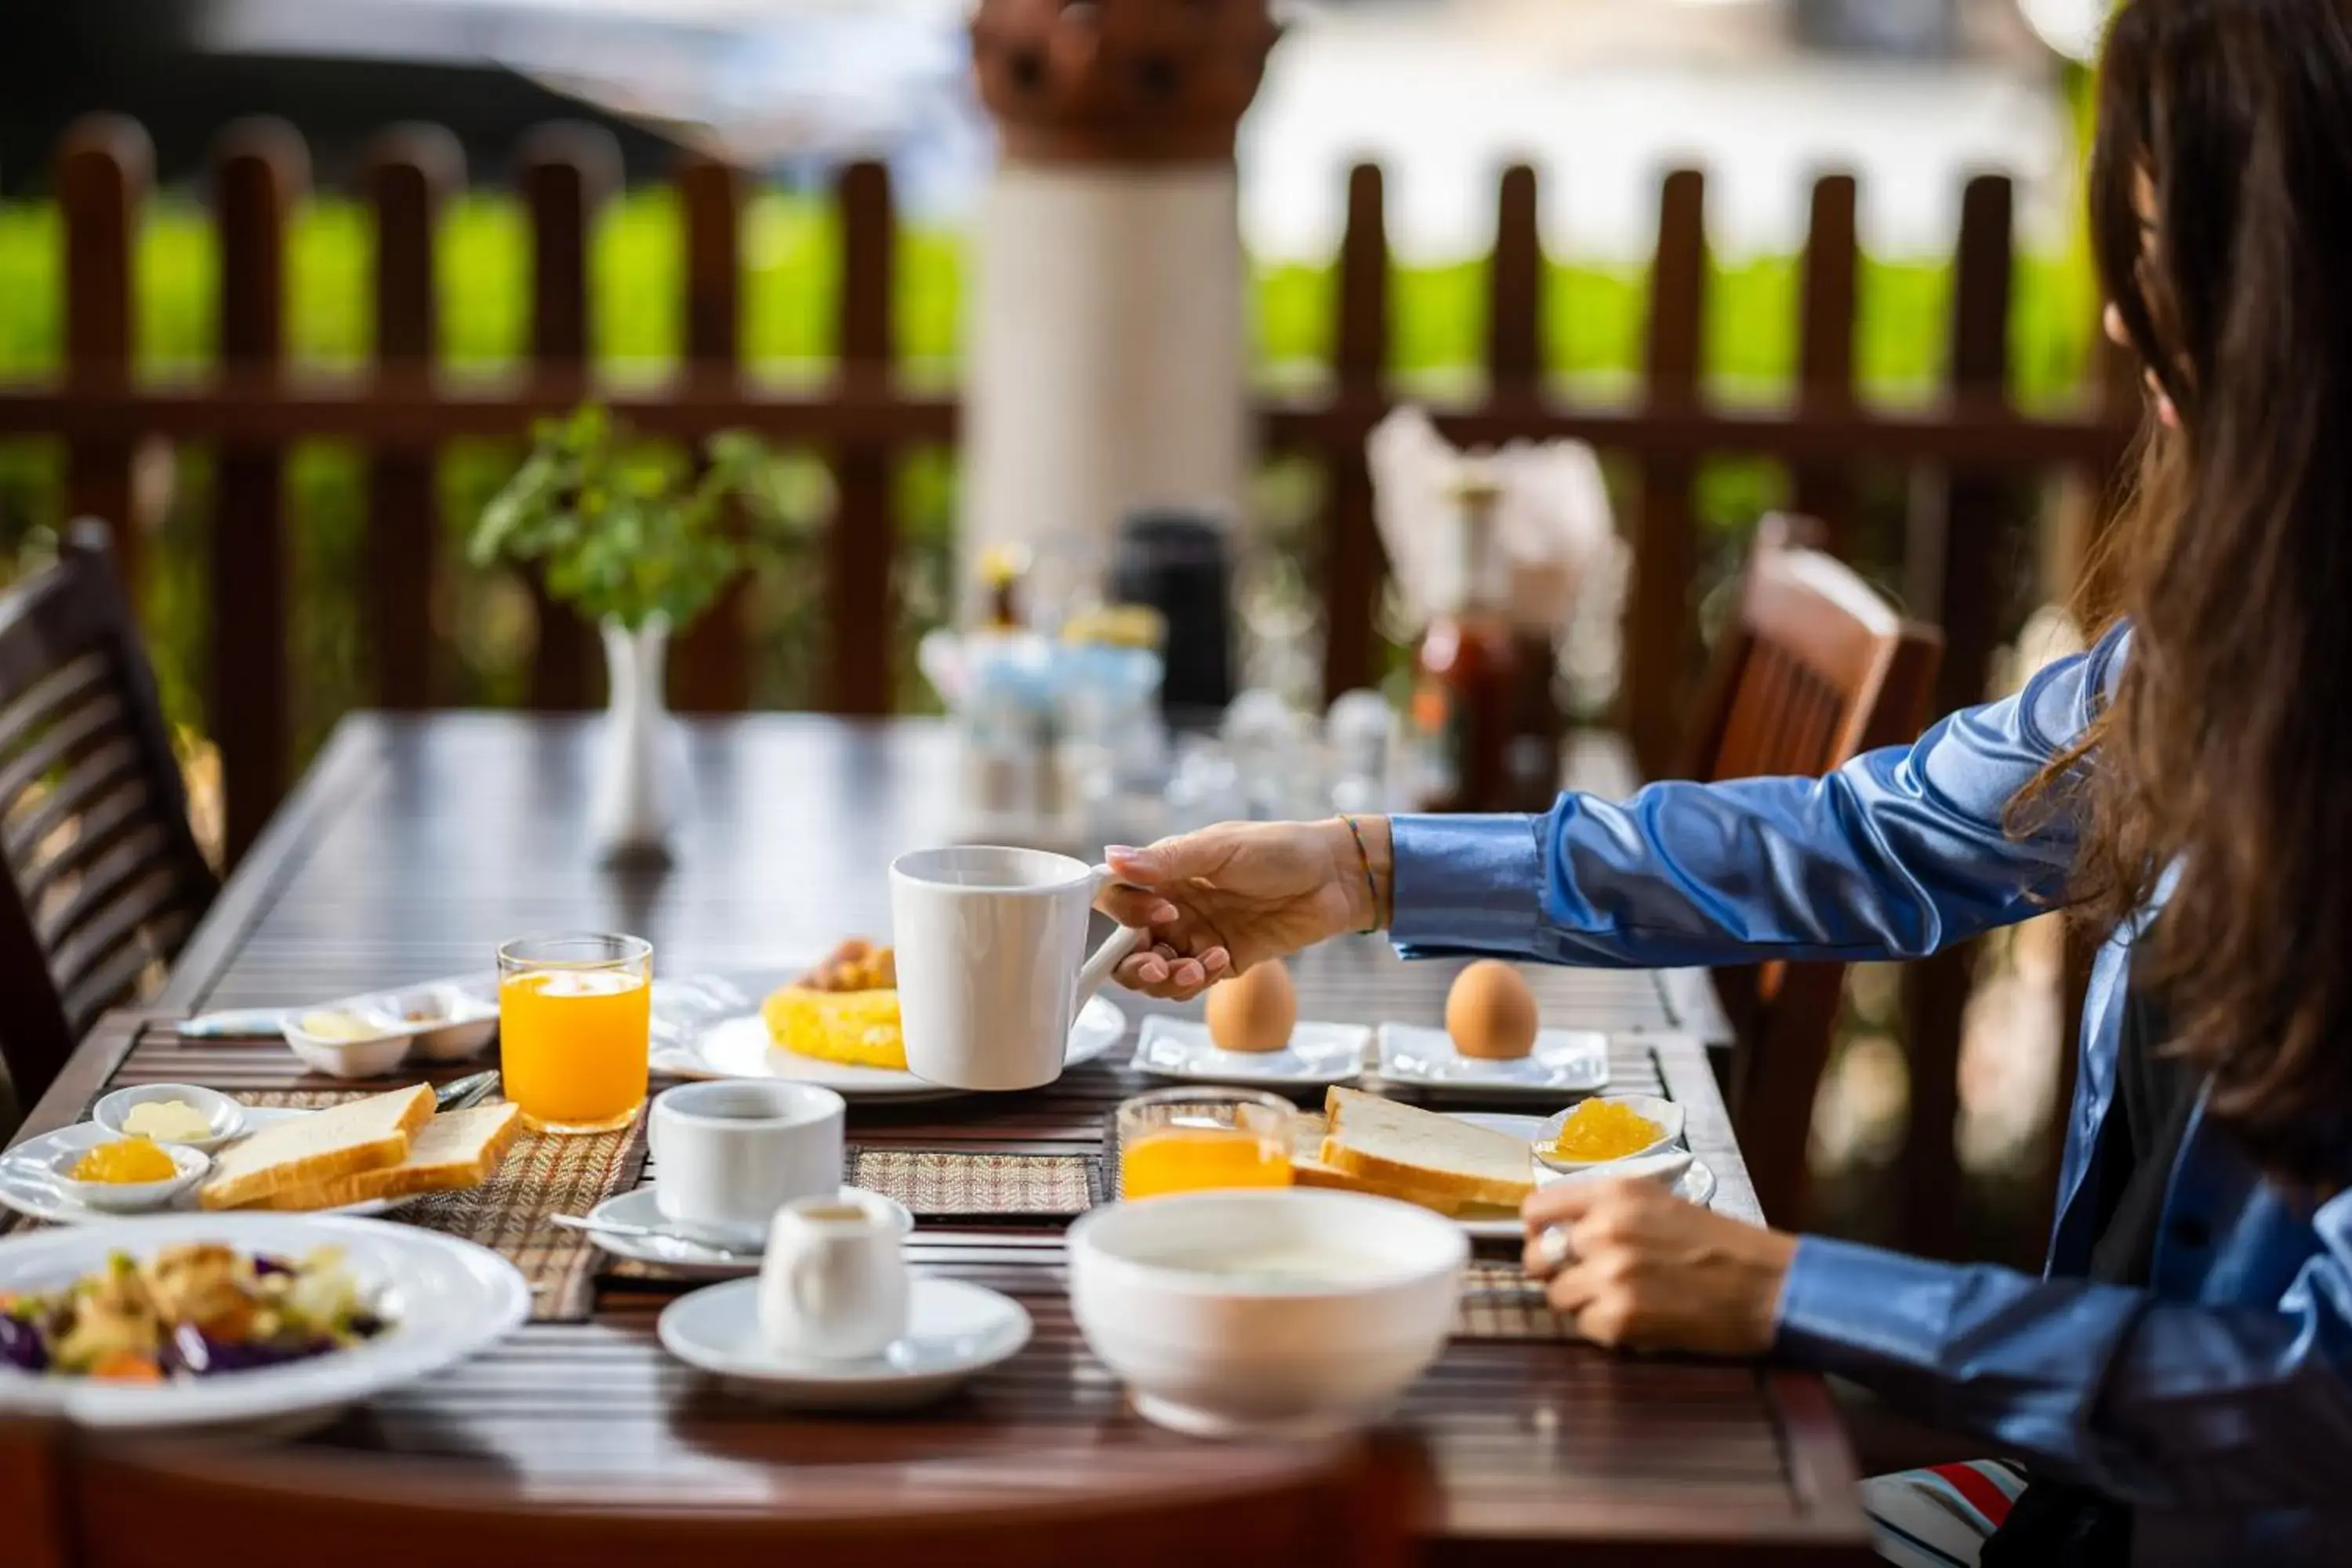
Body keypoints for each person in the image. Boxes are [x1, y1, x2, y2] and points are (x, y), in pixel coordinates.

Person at [1093, 4, 2352, 1563]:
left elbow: (2322, 1400)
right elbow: (1867, 837)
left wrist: (1786, 1289)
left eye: (2167, 239)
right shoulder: (2241, 650)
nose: (2117, 316)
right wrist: (1368, 867)